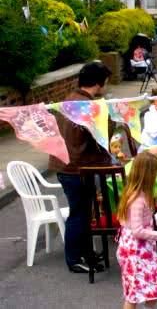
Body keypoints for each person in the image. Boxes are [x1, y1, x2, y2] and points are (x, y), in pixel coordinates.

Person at [49, 61, 114, 273]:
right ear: (99, 82)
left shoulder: (70, 100)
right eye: (105, 81)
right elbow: (101, 135)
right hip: (77, 167)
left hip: (66, 165)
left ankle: (86, 253)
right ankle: (75, 259)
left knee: (85, 213)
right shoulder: (87, 106)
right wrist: (108, 116)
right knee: (79, 214)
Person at [116, 152, 157, 309]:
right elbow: (137, 231)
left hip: (140, 250)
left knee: (148, 290)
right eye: (155, 172)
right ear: (148, 175)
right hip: (135, 252)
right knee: (134, 295)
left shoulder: (138, 194)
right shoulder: (138, 199)